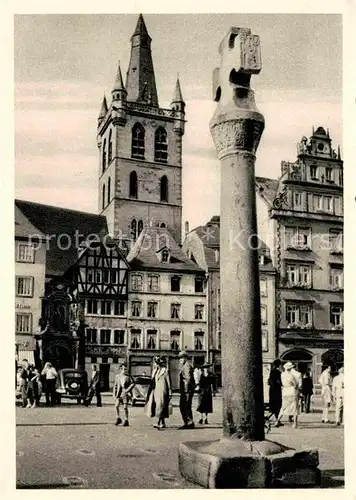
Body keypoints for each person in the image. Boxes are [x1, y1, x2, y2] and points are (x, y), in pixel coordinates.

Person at [145, 356, 172, 429]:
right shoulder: (154, 371)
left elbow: (169, 382)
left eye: (156, 363)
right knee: (158, 406)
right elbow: (152, 381)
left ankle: (158, 422)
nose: (155, 365)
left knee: (161, 406)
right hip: (156, 390)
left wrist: (170, 391)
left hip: (163, 390)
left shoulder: (165, 371)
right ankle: (162, 423)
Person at [275, 362, 300, 429]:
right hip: (291, 391)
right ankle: (295, 424)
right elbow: (295, 384)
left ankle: (277, 420)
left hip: (285, 391)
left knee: (283, 407)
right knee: (295, 408)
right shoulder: (291, 375)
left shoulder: (282, 374)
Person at [178, 351, 195, 429]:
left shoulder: (186, 366)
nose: (180, 360)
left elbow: (188, 378)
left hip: (186, 390)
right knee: (185, 406)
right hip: (186, 390)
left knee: (184, 406)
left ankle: (189, 422)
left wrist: (187, 390)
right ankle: (188, 422)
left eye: (181, 358)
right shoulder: (186, 366)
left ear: (185, 358)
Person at [268, 359, 283, 425]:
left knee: (273, 404)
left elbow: (269, 381)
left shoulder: (272, 371)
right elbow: (279, 381)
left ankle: (275, 418)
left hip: (271, 390)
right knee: (278, 404)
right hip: (276, 390)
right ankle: (277, 419)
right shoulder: (278, 372)